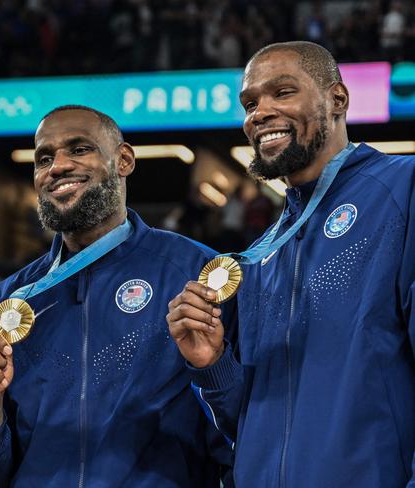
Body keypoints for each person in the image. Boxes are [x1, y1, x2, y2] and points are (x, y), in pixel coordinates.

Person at [167, 41, 415, 487]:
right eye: (249, 103)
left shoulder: (402, 191)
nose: (259, 113)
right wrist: (212, 364)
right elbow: (247, 429)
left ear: (337, 99)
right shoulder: (259, 255)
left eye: (282, 92)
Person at [0, 105, 233, 487]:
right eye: (44, 158)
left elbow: (242, 437)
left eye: (79, 149)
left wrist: (214, 366)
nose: (57, 167)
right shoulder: (6, 304)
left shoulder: (197, 274)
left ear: (124, 160)